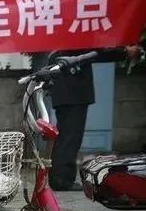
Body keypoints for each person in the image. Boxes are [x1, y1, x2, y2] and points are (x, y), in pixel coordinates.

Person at [47, 45, 140, 191]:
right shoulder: (76, 36)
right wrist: (124, 52)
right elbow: (94, 53)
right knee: (70, 137)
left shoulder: (64, 37)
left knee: (66, 137)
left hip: (67, 91)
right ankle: (61, 180)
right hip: (72, 92)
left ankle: (59, 178)